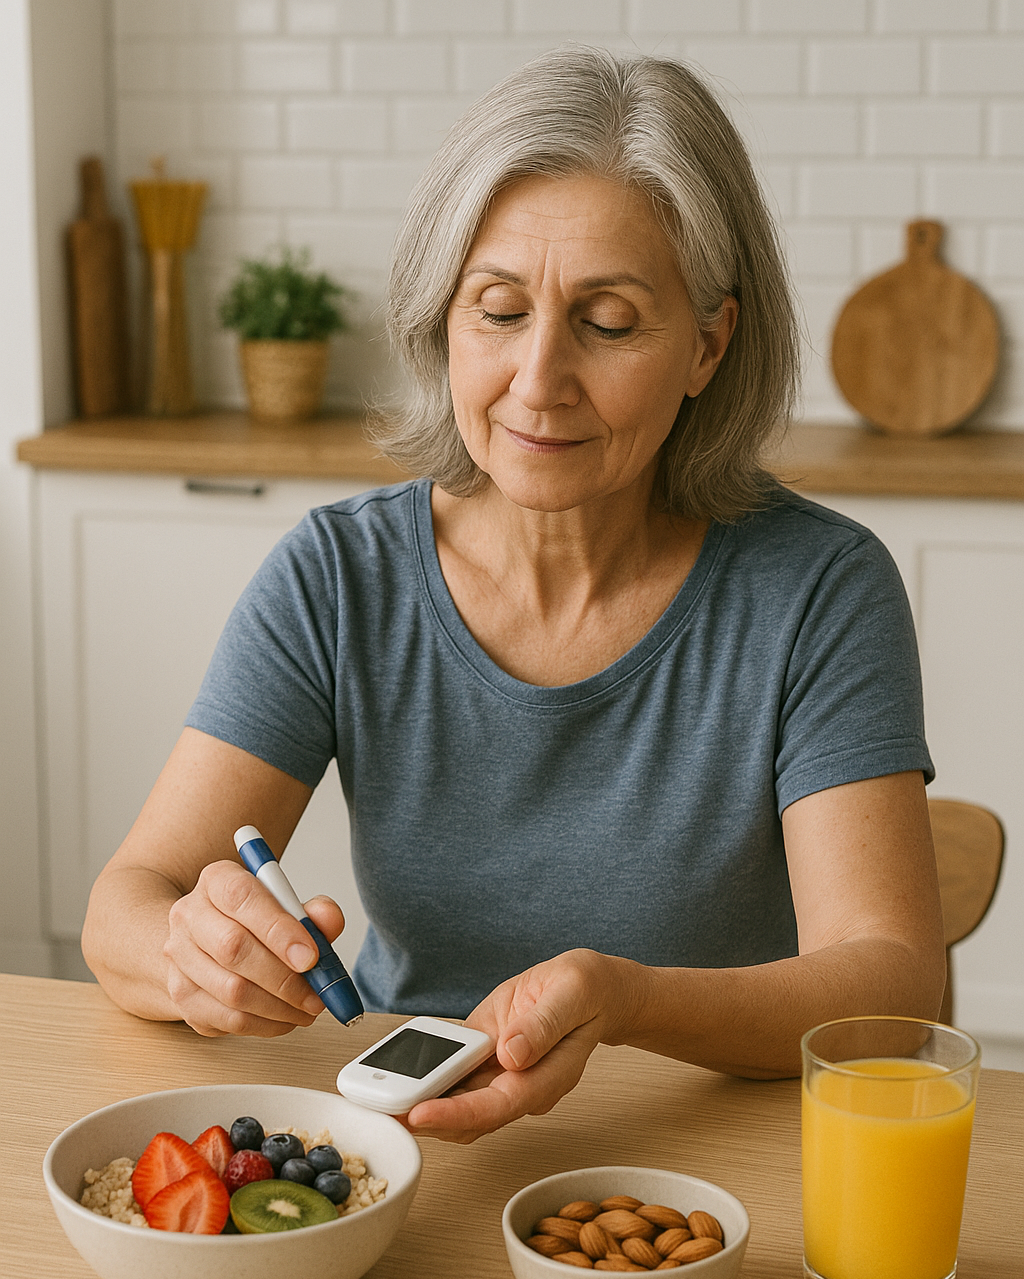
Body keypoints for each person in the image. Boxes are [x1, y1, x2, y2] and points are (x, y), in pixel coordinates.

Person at [82, 48, 945, 1144]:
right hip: (410, 1148)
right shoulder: (340, 576)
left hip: (705, 1149)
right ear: (444, 316)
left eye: (610, 321)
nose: (537, 381)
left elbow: (887, 990)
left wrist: (628, 1003)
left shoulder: (818, 589)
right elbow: (128, 902)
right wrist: (192, 955)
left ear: (707, 345)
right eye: (497, 310)